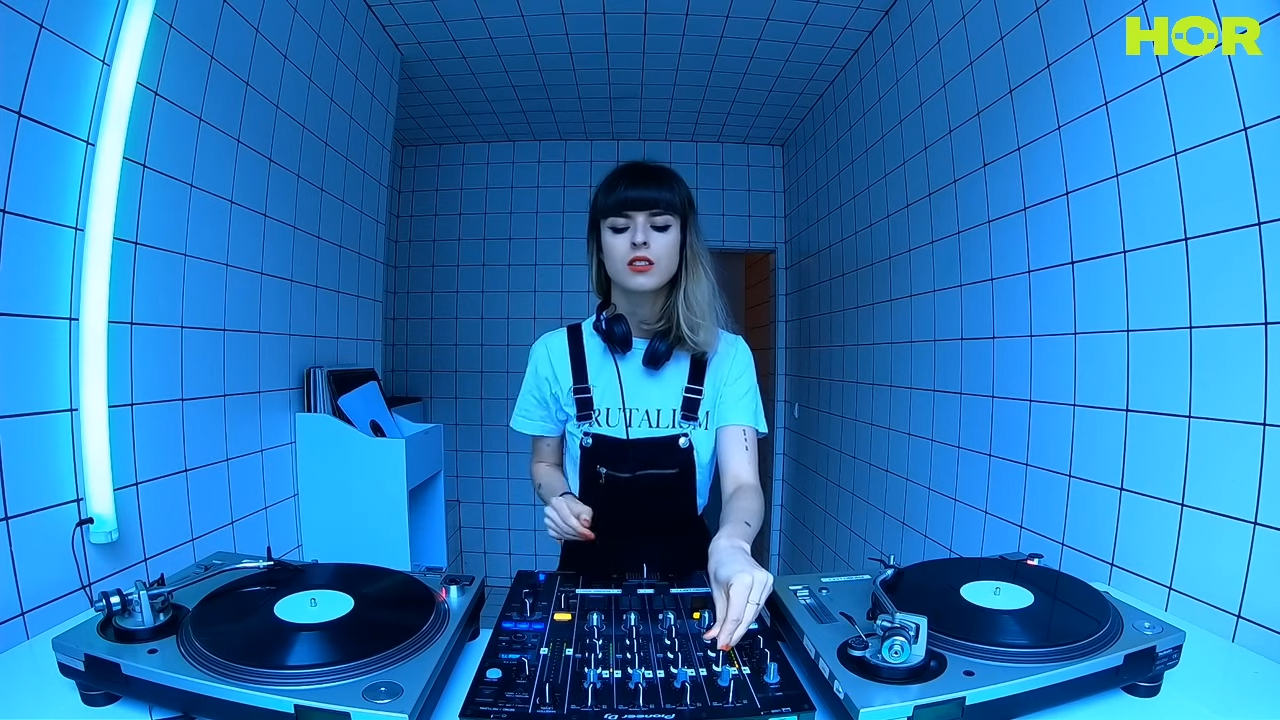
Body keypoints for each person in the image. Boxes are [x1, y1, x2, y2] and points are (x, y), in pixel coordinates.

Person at [509, 160, 773, 651]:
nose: (638, 239)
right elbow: (544, 464)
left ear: (684, 241)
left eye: (660, 225)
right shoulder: (554, 353)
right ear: (599, 246)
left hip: (693, 572)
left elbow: (742, 484)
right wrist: (558, 498)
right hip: (584, 575)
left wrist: (733, 544)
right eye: (618, 227)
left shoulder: (728, 356)